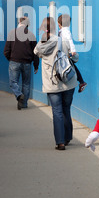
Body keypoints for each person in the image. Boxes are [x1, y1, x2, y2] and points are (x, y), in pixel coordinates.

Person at [34, 16, 78, 150]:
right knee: (66, 109)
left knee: (57, 111)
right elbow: (74, 57)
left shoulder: (41, 43)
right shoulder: (63, 40)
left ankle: (60, 142)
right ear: (55, 27)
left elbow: (36, 52)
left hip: (51, 83)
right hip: (68, 81)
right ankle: (68, 137)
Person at [4, 16, 39, 110]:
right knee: (26, 84)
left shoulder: (12, 33)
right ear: (27, 24)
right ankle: (23, 104)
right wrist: (36, 65)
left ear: (19, 22)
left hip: (14, 61)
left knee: (13, 82)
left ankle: (19, 95)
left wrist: (10, 59)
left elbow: (6, 50)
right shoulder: (31, 35)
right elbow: (35, 52)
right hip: (27, 63)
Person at [58, 14, 87, 92]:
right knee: (72, 65)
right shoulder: (61, 32)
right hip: (64, 53)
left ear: (59, 24)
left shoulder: (66, 31)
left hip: (65, 53)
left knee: (71, 66)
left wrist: (73, 50)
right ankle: (81, 82)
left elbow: (70, 41)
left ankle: (81, 82)